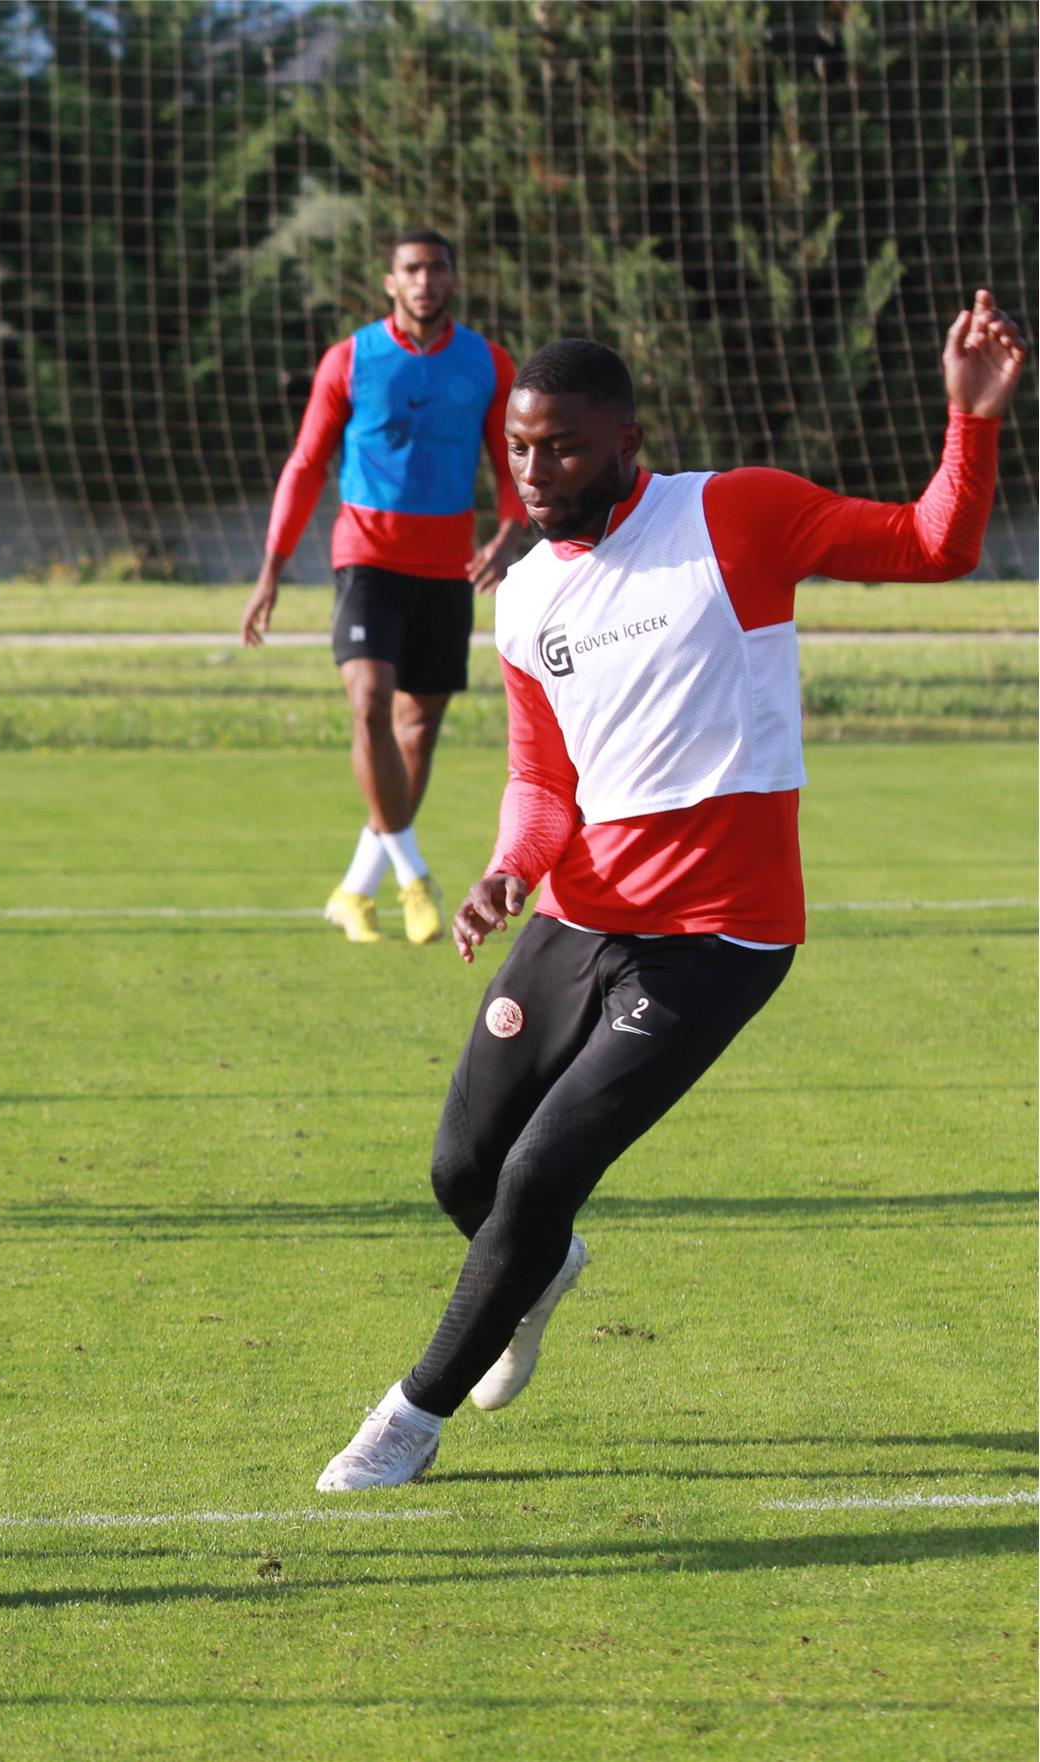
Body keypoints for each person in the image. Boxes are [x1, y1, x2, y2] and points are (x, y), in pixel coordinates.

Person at [315, 290, 1026, 1490]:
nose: (534, 470)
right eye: (521, 448)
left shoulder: (735, 514)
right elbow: (544, 779)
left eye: (563, 447)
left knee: (539, 1175)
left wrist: (972, 421)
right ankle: (538, 1269)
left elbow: (933, 544)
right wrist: (509, 868)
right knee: (463, 1173)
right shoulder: (527, 593)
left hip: (717, 937)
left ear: (627, 441)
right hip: (578, 913)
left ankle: (408, 1419)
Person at [240, 228, 527, 946]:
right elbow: (306, 464)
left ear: (453, 279)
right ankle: (414, 876)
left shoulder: (488, 363)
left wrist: (508, 534)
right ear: (390, 282)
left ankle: (356, 889)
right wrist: (272, 569)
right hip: (366, 558)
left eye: (437, 268)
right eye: (411, 269)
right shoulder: (350, 359)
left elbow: (513, 460)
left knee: (417, 728)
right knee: (369, 700)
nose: (425, 281)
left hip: (449, 567)